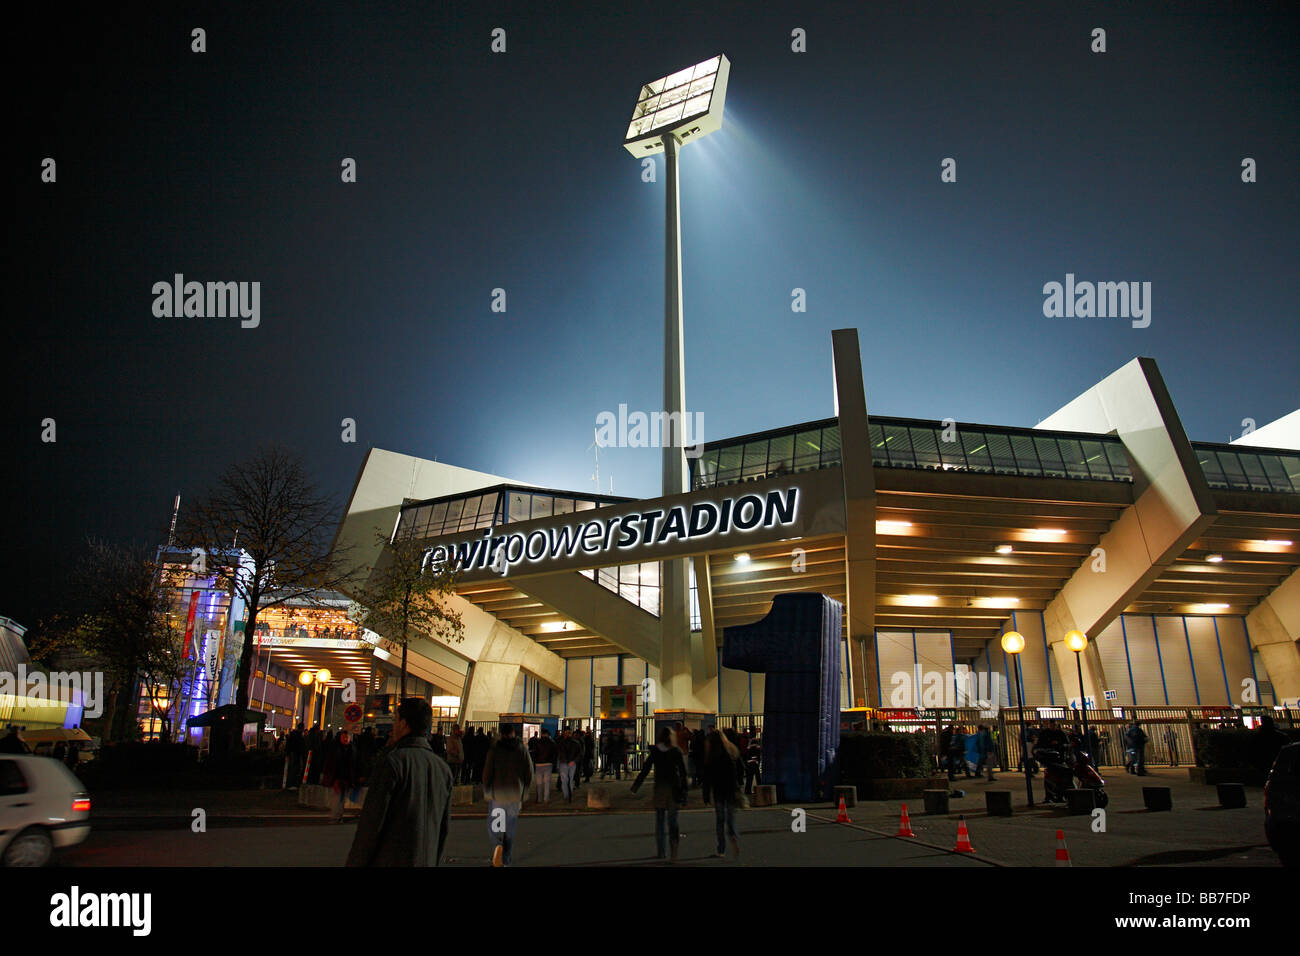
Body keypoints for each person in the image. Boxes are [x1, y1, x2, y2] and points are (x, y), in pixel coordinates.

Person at [345, 699, 454, 866]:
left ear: (404, 723)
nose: (393, 727)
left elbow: (371, 824)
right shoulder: (443, 770)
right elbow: (443, 830)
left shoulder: (393, 762)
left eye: (395, 720)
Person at [631, 726, 688, 861]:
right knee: (673, 821)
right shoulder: (676, 751)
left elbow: (646, 769)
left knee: (660, 821)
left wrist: (636, 785)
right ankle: (674, 850)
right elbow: (683, 773)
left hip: (660, 788)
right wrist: (685, 791)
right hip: (674, 788)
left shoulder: (656, 751)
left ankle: (661, 851)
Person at [482, 723, 533, 866]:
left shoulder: (495, 750)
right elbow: (529, 772)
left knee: (495, 826)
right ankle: (506, 860)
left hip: (498, 794)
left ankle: (497, 845)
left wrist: (487, 790)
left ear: (501, 734)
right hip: (515, 795)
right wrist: (525, 792)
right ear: (513, 733)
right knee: (510, 829)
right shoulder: (521, 750)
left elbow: (487, 773)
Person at [702, 728, 744, 858]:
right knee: (731, 818)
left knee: (720, 820)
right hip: (730, 789)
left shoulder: (711, 757)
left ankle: (721, 849)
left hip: (718, 790)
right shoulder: (730, 752)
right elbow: (740, 768)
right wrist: (739, 784)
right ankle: (734, 840)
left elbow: (707, 778)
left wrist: (706, 794)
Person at [322, 729, 360, 823]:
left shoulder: (352, 749)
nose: (345, 739)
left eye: (347, 737)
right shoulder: (336, 749)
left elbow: (355, 764)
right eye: (343, 737)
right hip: (337, 777)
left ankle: (339, 816)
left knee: (342, 799)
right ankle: (335, 817)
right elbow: (330, 763)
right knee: (337, 797)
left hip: (347, 777)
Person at [532, 727, 557, 801]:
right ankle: (546, 798)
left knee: (539, 783)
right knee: (547, 782)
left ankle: (539, 798)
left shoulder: (537, 742)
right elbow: (555, 754)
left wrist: (535, 761)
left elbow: (534, 753)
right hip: (548, 764)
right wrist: (552, 762)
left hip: (538, 764)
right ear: (548, 734)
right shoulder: (552, 743)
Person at [558, 728, 582, 802]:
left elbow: (558, 754)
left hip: (563, 763)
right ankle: (570, 795)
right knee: (571, 780)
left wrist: (558, 764)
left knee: (564, 780)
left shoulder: (560, 742)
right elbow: (579, 754)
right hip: (571, 763)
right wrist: (574, 761)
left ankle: (566, 795)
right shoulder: (576, 743)